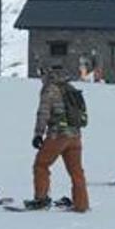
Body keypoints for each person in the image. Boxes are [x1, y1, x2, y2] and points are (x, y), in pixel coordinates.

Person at [25, 66, 89, 212]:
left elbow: (43, 113)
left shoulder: (49, 89)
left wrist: (38, 134)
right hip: (75, 136)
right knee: (76, 171)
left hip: (58, 135)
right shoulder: (71, 88)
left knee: (41, 165)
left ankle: (41, 199)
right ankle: (81, 204)